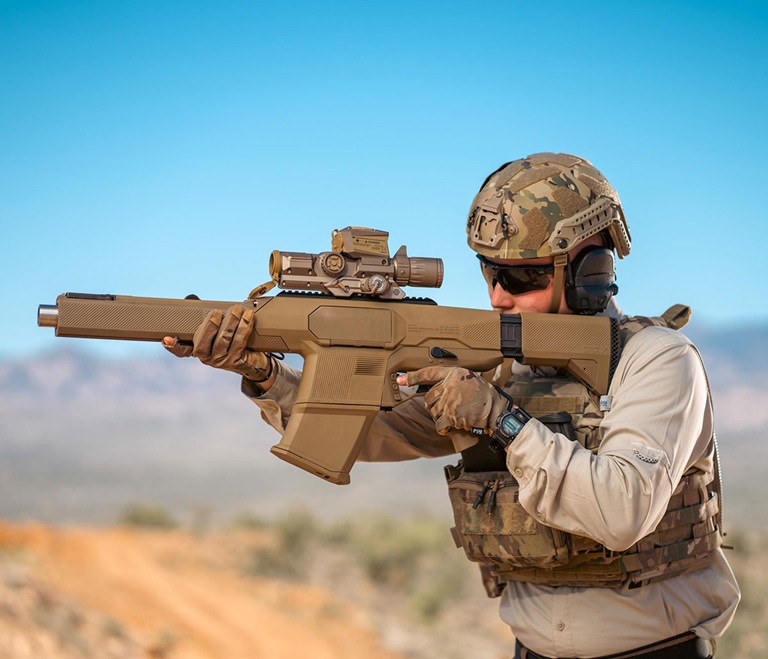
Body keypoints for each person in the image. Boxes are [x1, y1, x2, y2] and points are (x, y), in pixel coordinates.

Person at [163, 152, 739, 658]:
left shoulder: (656, 361)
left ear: (591, 272)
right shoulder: (497, 363)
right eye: (491, 272)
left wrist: (500, 418)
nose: (497, 295)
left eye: (522, 276)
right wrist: (263, 374)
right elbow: (372, 433)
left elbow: (621, 513)